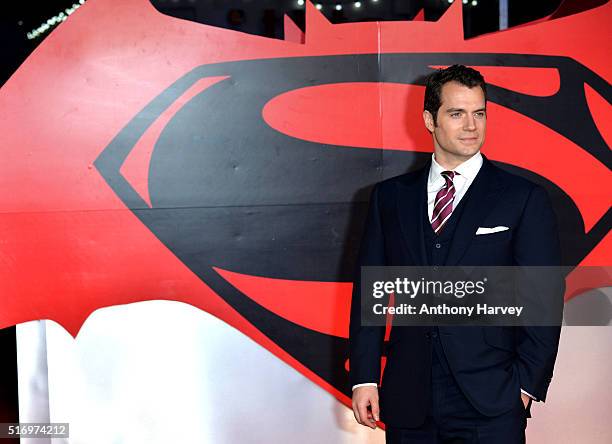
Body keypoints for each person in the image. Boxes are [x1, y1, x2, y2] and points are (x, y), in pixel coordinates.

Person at [349, 65, 563, 443]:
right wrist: (365, 376)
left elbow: (543, 300)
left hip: (491, 400)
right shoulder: (390, 198)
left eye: (479, 113)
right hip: (409, 399)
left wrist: (525, 387)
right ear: (429, 120)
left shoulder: (522, 198)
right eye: (457, 113)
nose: (471, 126)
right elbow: (372, 293)